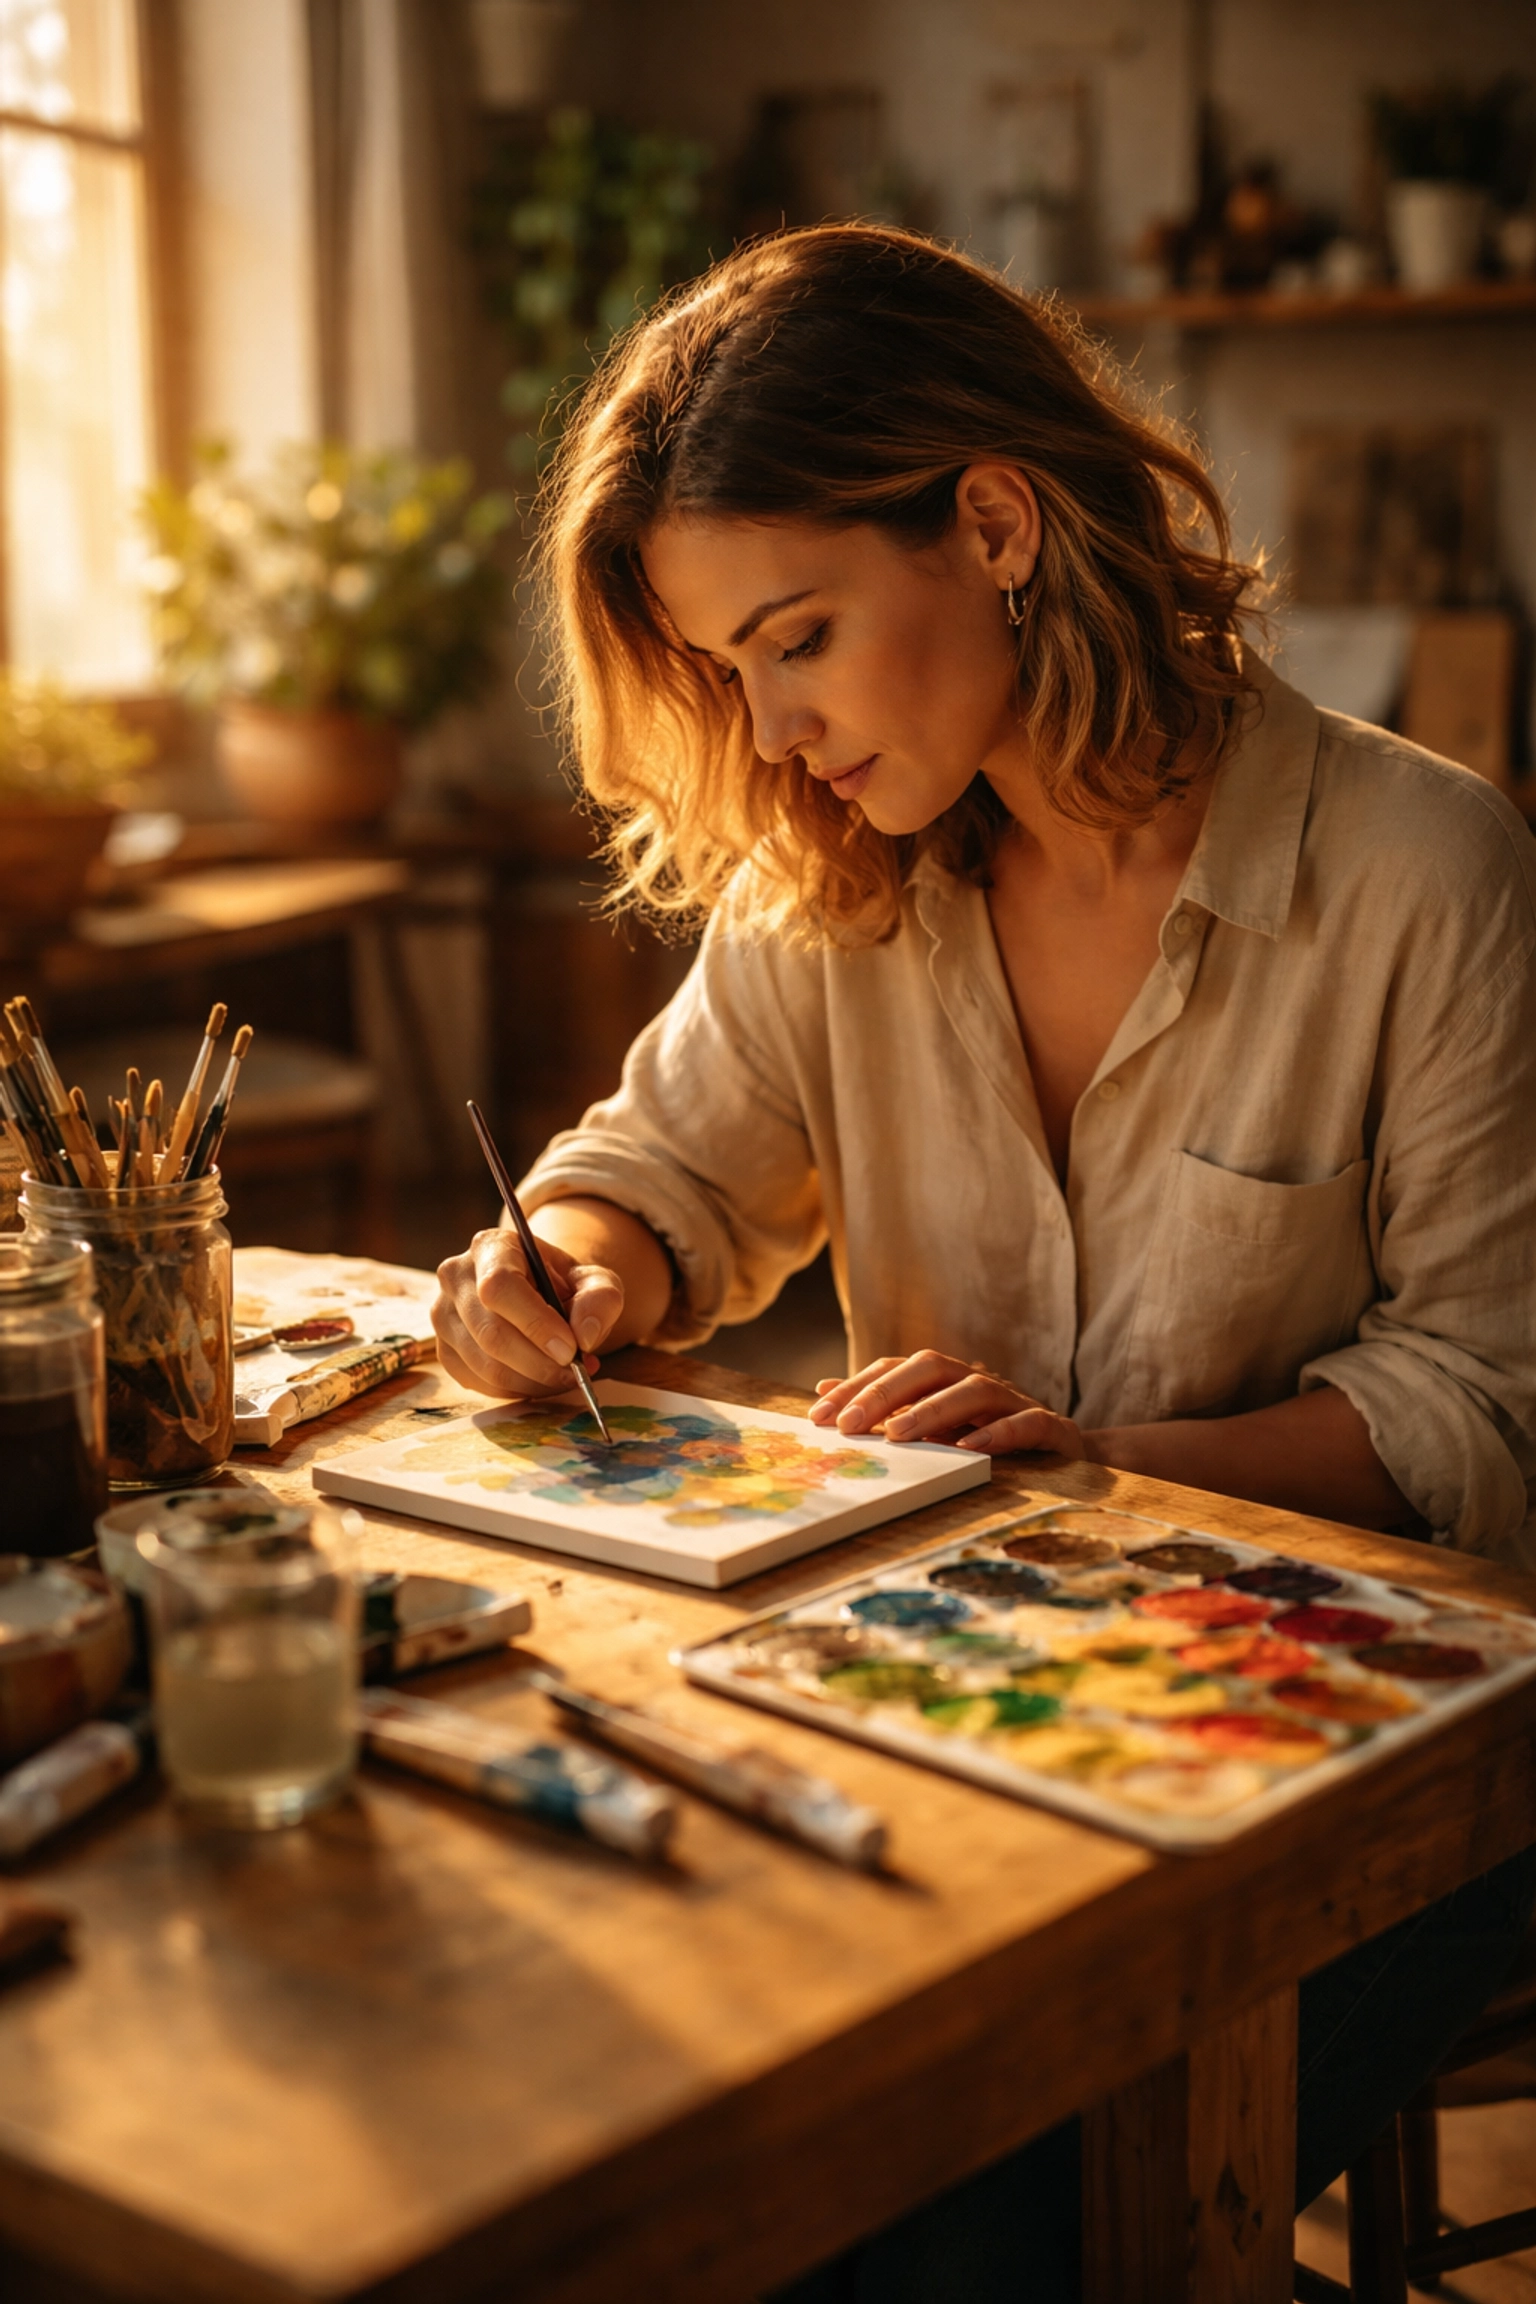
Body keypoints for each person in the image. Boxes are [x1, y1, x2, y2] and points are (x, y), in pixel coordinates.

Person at [432, 226, 1536, 2296]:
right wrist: (571, 1262)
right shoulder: (831, 881)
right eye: (732, 669)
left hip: (1380, 1759)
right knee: (684, 2125)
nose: (769, 731)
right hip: (967, 1725)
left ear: (999, 522)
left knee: (952, 2236)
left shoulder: (1427, 870)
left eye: (802, 636)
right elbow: (660, 1167)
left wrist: (1094, 1467)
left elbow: (1488, 1414)